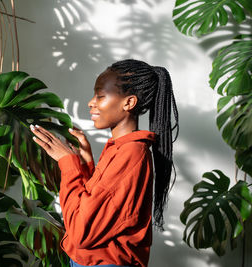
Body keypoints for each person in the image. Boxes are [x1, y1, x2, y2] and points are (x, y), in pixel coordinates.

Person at [30, 59, 179, 267]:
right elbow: (98, 208)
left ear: (129, 103)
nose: (91, 102)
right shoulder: (121, 148)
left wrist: (68, 163)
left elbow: (83, 232)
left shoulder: (132, 153)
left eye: (100, 96)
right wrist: (85, 164)